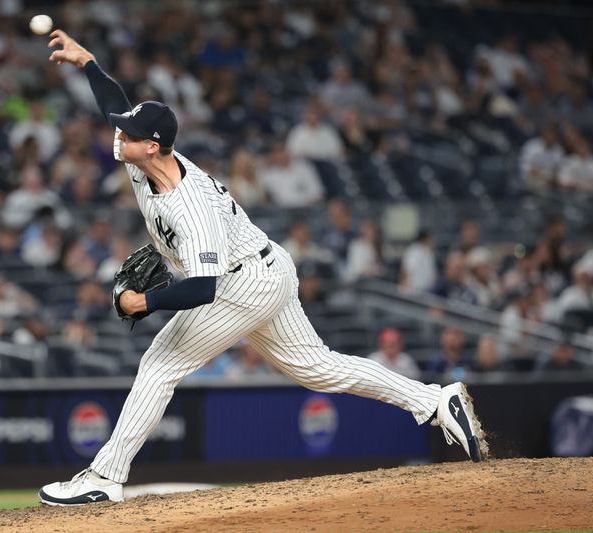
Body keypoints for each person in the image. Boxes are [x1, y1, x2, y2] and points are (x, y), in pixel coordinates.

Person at [37, 30, 487, 507]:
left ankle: (105, 477)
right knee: (319, 368)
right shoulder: (143, 160)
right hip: (267, 268)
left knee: (160, 364)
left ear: (152, 145)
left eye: (127, 132)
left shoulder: (190, 208)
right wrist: (89, 63)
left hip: (242, 280)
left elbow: (206, 287)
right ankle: (436, 402)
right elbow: (116, 102)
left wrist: (141, 301)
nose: (117, 135)